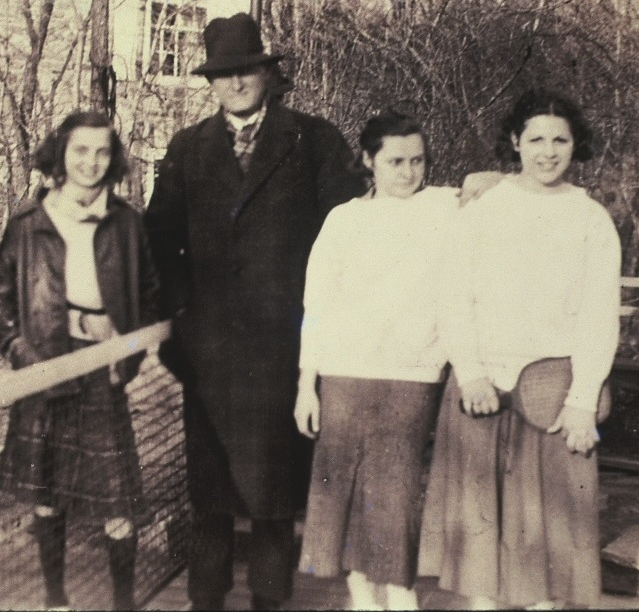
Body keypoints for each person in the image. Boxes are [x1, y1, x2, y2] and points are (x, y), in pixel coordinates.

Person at [144, 13, 367, 610]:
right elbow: (160, 240)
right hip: (209, 356)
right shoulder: (187, 148)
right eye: (224, 74)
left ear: (266, 75)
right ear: (211, 83)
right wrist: (179, 321)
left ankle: (270, 602)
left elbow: (351, 236)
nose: (237, 82)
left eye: (246, 70)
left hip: (284, 351)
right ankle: (205, 601)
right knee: (210, 499)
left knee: (274, 500)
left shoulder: (313, 141)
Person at [418, 89, 621, 609]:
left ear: (576, 145)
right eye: (535, 139)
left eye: (560, 140)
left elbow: (599, 315)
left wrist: (582, 399)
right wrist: (471, 373)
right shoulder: (483, 209)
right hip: (482, 389)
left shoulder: (591, 219)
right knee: (478, 538)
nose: (548, 152)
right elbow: (453, 297)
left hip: (554, 398)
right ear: (515, 141)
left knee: (549, 543)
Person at [0, 111, 159, 611]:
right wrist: (24, 357)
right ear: (60, 154)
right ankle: (55, 601)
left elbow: (150, 295)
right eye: (80, 150)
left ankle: (123, 603)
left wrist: (125, 349)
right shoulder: (28, 221)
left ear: (114, 158)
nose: (91, 162)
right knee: (47, 495)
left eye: (102, 152)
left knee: (117, 502)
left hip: (103, 369)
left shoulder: (128, 222)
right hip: (44, 368)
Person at [294, 110, 455, 611]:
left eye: (417, 160)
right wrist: (306, 385)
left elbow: (497, 189)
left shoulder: (445, 207)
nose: (408, 172)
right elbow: (317, 305)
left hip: (413, 373)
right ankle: (361, 589)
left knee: (396, 487)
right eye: (395, 161)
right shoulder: (344, 220)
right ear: (369, 161)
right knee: (341, 484)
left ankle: (400, 589)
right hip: (344, 373)